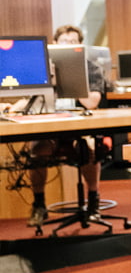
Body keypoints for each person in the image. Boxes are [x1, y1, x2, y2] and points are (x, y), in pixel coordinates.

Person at [27, 25, 107, 228]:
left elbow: (92, 103)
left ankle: (93, 202)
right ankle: (39, 205)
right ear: (55, 44)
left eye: (74, 42)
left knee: (87, 151)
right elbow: (31, 101)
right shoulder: (43, 69)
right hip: (49, 127)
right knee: (35, 151)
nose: (69, 45)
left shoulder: (91, 68)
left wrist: (72, 77)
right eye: (64, 42)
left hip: (81, 127)